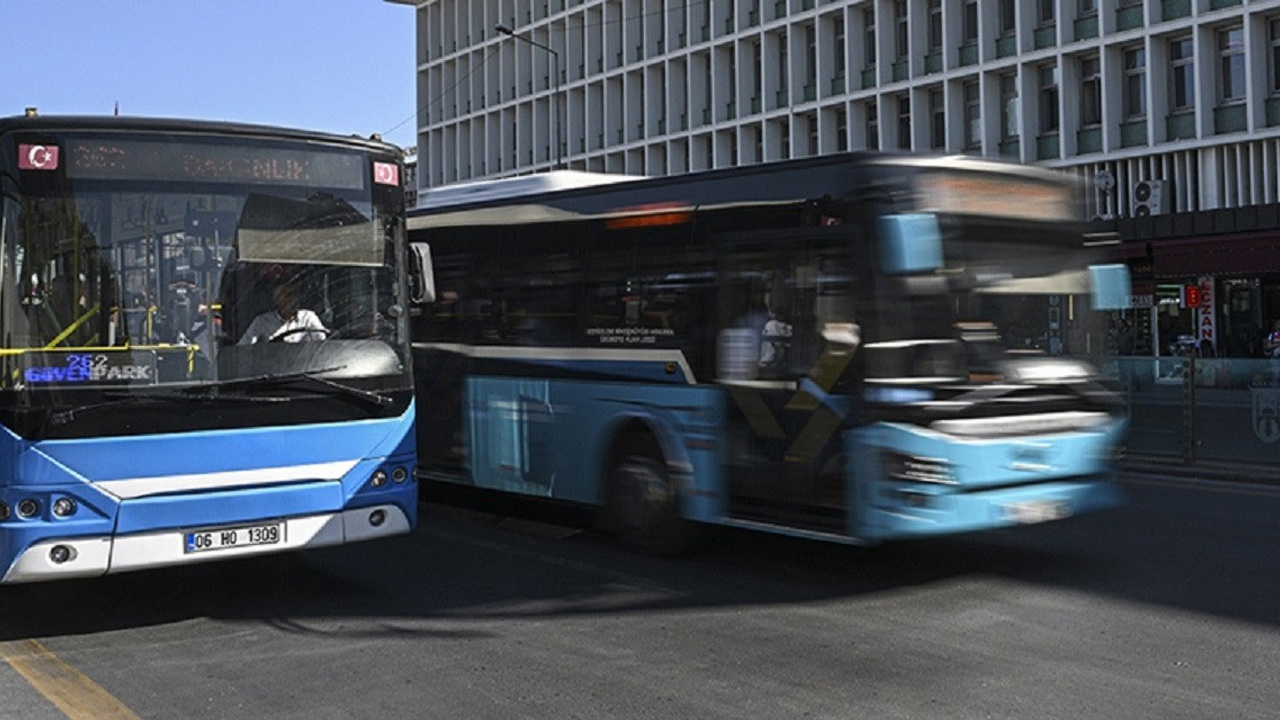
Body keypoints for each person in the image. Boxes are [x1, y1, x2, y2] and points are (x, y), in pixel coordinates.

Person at [238, 281, 327, 345]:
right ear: (276, 299)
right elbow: (242, 349)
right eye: (287, 295)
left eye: (294, 294)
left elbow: (322, 344)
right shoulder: (262, 322)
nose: (292, 299)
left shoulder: (308, 317)